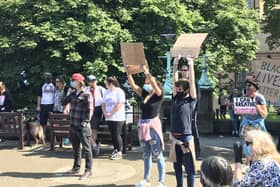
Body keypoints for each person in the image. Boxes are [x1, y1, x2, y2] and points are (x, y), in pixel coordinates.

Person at [126, 64, 165, 187]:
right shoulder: (145, 95)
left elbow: (153, 83)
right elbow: (133, 86)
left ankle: (161, 181)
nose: (145, 83)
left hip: (152, 126)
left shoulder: (159, 94)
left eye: (146, 81)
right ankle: (146, 180)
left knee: (157, 154)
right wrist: (129, 73)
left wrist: (147, 72)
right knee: (146, 154)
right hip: (143, 126)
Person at [170, 56, 197, 187]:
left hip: (186, 137)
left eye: (181, 89)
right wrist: (175, 64)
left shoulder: (191, 100)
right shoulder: (175, 98)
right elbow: (173, 81)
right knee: (177, 167)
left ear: (186, 89)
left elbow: (191, 82)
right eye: (177, 88)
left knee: (190, 168)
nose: (178, 90)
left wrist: (190, 64)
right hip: (175, 137)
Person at [62, 73, 93, 180]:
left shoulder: (87, 94)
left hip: (82, 126)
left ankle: (88, 170)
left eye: (74, 80)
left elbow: (90, 110)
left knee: (86, 149)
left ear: (79, 82)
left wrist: (84, 124)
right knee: (76, 148)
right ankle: (76, 167)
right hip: (73, 124)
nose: (72, 82)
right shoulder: (73, 94)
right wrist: (68, 93)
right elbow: (63, 102)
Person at [174, 63, 201, 160]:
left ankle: (197, 151)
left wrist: (194, 109)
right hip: (182, 110)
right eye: (182, 70)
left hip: (191, 109)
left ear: (189, 71)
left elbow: (196, 97)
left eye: (185, 70)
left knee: (193, 130)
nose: (184, 72)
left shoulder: (193, 83)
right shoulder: (180, 82)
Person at [102, 76, 126, 160]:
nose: (105, 84)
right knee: (112, 135)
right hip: (109, 118)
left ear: (110, 83)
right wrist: (105, 112)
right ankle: (115, 149)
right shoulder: (106, 92)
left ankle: (119, 151)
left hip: (118, 117)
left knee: (116, 134)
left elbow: (119, 104)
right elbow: (103, 103)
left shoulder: (119, 91)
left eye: (106, 83)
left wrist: (111, 112)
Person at [87, 75, 105, 156]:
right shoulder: (86, 90)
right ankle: (93, 146)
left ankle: (91, 148)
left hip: (97, 110)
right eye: (91, 81)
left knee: (93, 129)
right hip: (88, 110)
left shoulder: (101, 89)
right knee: (87, 129)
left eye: (94, 81)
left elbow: (105, 99)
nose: (92, 82)